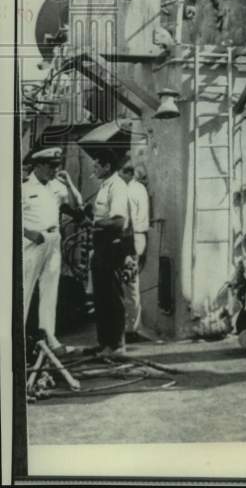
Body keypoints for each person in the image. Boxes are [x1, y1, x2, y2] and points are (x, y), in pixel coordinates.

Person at [22, 147, 76, 353]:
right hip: (33, 242)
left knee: (50, 289)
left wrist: (69, 184)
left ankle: (49, 337)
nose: (55, 170)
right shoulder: (24, 188)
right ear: (39, 166)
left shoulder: (56, 186)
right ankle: (16, 339)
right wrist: (28, 233)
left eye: (57, 166)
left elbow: (74, 204)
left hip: (53, 240)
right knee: (24, 290)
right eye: (52, 166)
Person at [89, 150, 134, 354]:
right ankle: (105, 343)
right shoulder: (104, 186)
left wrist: (94, 223)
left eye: (97, 165)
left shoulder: (117, 187)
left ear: (107, 166)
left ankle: (117, 345)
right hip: (100, 246)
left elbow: (118, 221)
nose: (94, 168)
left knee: (113, 297)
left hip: (112, 246)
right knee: (101, 296)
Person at [119, 161, 150, 341]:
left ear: (128, 174)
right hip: (139, 236)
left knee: (128, 283)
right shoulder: (140, 189)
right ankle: (132, 325)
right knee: (131, 283)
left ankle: (131, 327)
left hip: (130, 237)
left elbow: (127, 219)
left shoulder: (129, 190)